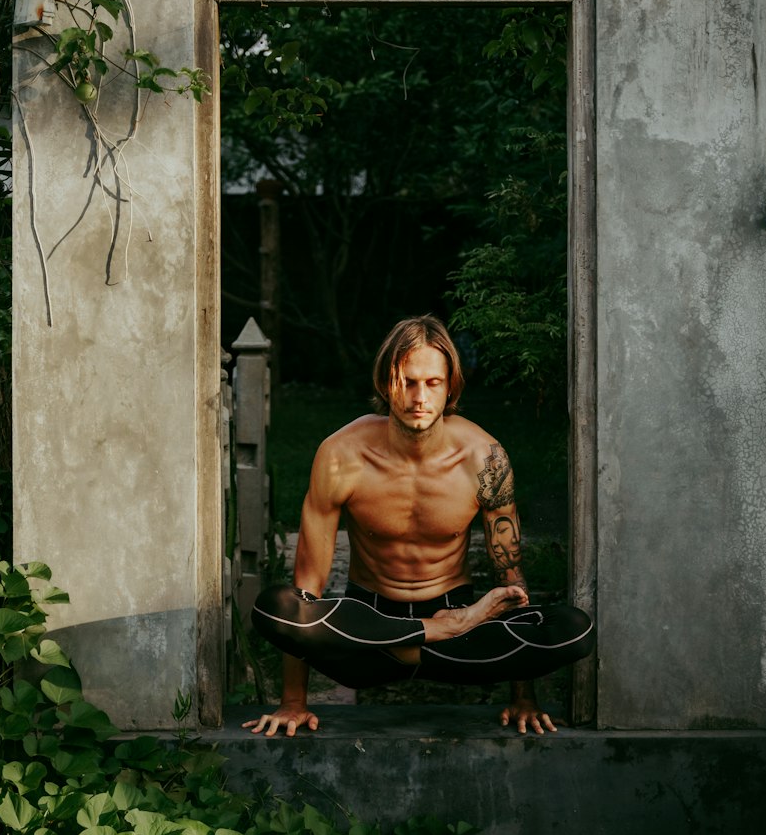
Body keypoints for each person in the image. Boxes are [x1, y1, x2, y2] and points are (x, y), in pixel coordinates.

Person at [244, 315, 594, 738]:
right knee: (276, 608)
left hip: (459, 639)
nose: (418, 397)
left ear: (451, 388)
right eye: (406, 381)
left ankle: (427, 638)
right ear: (384, 384)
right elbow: (307, 587)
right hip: (368, 634)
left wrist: (524, 697)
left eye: (432, 383)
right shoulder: (340, 456)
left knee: (576, 630)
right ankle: (427, 633)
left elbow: (511, 582)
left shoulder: (485, 458)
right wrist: (294, 702)